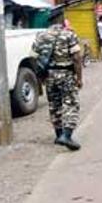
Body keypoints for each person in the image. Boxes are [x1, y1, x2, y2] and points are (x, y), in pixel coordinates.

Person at [31, 18, 83, 151]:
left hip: (49, 76)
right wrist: (79, 77)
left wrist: (40, 76)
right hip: (66, 74)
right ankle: (67, 135)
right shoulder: (69, 35)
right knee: (71, 104)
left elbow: (33, 57)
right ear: (62, 23)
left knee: (54, 105)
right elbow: (77, 57)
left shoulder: (41, 36)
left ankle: (59, 135)